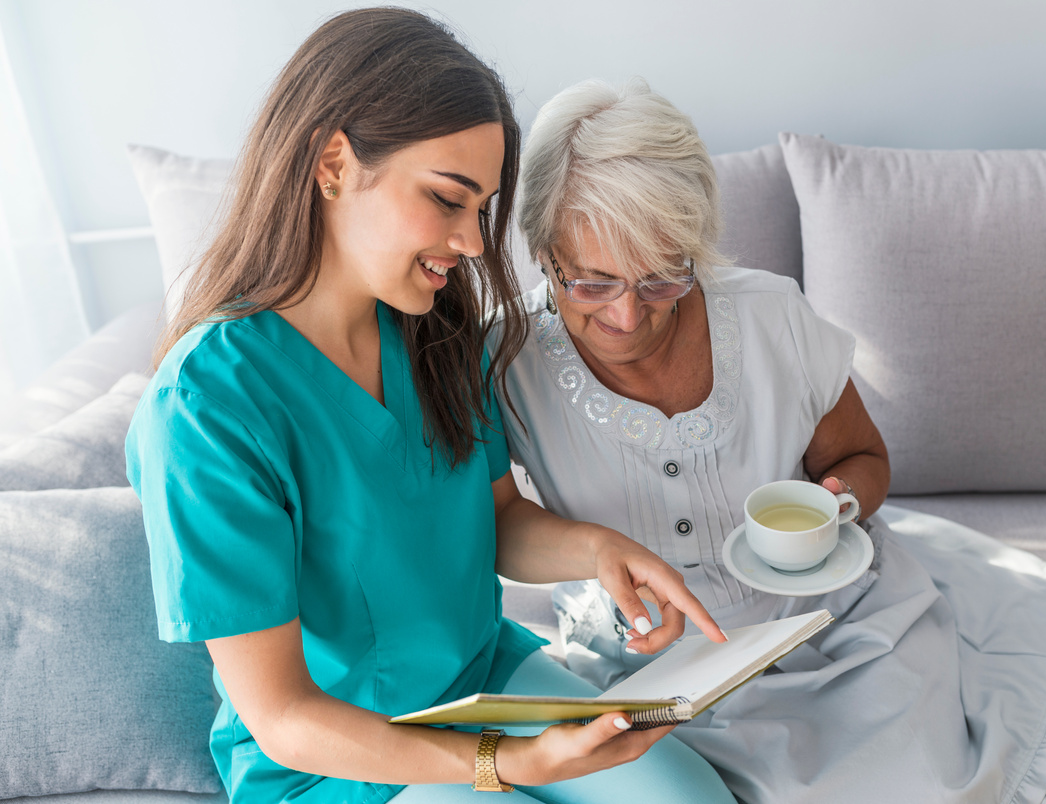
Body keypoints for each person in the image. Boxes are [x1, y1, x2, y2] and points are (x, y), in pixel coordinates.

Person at [496, 78, 1046, 803]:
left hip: (830, 639)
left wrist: (838, 504)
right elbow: (495, 524)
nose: (630, 317)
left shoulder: (769, 320)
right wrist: (601, 559)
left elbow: (863, 461)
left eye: (662, 280)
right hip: (642, 667)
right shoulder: (505, 362)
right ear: (543, 253)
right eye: (593, 285)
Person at [125, 11, 739, 804]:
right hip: (335, 759)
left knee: (690, 799)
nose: (475, 243)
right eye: (449, 199)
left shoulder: (435, 333)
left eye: (480, 208)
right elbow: (282, 715)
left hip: (481, 682)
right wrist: (506, 767)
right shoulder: (206, 407)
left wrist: (601, 552)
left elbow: (498, 522)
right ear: (334, 163)